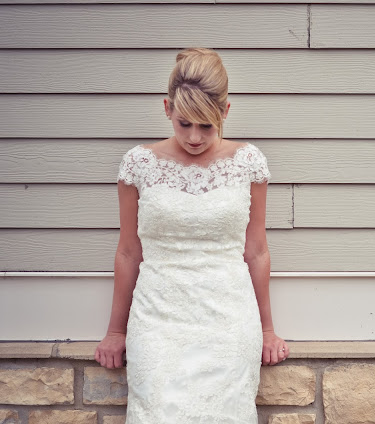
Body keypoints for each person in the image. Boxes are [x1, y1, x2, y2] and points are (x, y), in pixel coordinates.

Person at [94, 47, 289, 423]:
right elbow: (129, 252)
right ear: (167, 108)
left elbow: (257, 250)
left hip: (229, 321)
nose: (195, 137)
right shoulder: (139, 164)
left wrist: (267, 330)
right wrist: (116, 331)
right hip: (157, 320)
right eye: (184, 124)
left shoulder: (248, 163)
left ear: (225, 112)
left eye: (207, 125)